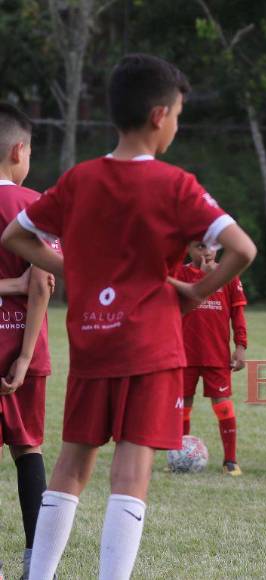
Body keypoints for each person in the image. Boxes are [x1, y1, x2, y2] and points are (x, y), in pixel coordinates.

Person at [1, 54, 256, 579]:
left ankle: (40, 575)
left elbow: (15, 238)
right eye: (179, 115)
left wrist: (77, 272)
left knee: (70, 467)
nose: (177, 126)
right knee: (130, 474)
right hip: (150, 345)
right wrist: (192, 292)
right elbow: (241, 249)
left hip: (93, 340)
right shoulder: (175, 184)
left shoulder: (79, 179)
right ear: (161, 115)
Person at [0, 103, 54, 579]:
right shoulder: (32, 204)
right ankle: (37, 562)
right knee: (28, 449)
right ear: (19, 150)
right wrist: (24, 355)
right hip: (21, 343)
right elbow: (41, 283)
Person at [174, 241, 248, 476]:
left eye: (212, 246)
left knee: (223, 403)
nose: (206, 251)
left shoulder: (228, 275)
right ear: (188, 249)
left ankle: (230, 460)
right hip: (184, 353)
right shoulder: (180, 274)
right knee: (183, 405)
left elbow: (238, 314)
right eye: (199, 246)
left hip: (216, 354)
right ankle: (179, 456)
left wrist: (241, 346)